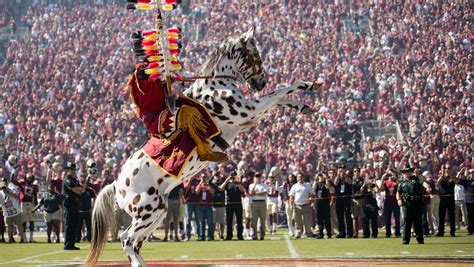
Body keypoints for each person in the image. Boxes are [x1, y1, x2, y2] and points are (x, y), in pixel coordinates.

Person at [128, 63, 227, 162]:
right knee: (188, 113)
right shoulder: (140, 81)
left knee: (188, 102)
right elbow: (153, 79)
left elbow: (162, 85)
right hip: (154, 119)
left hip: (163, 111)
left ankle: (210, 134)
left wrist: (170, 78)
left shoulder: (152, 80)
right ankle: (205, 153)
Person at [396, 164, 424, 245]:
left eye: (408, 171)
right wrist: (398, 199)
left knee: (417, 222)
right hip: (407, 204)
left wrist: (427, 187)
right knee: (407, 222)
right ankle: (405, 240)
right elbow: (398, 192)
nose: (406, 173)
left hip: (416, 203)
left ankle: (420, 239)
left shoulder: (416, 180)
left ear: (411, 172)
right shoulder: (402, 183)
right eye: (405, 172)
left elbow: (423, 183)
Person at [62, 162, 85, 250]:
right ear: (68, 170)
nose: (73, 171)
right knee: (69, 224)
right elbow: (77, 191)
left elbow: (82, 189)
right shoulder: (68, 179)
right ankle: (67, 244)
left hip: (75, 204)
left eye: (74, 169)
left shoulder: (74, 180)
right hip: (69, 204)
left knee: (74, 224)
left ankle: (71, 243)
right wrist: (79, 189)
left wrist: (79, 188)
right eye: (71, 169)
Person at [13, 173, 39, 243]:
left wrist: (37, 208)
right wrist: (13, 172)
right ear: (26, 178)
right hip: (23, 203)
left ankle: (31, 238)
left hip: (31, 204)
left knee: (31, 221)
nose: (29, 179)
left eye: (30, 177)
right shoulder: (22, 184)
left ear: (32, 178)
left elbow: (35, 198)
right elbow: (13, 181)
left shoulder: (34, 186)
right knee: (23, 222)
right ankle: (24, 238)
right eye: (28, 177)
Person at [289, 172, 315, 238]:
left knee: (307, 221)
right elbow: (291, 196)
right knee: (298, 222)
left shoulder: (307, 185)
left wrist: (311, 200)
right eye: (298, 177)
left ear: (303, 178)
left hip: (306, 205)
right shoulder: (294, 186)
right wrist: (291, 205)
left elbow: (311, 194)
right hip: (297, 206)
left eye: (301, 177)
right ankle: (298, 233)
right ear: (297, 178)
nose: (299, 178)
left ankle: (308, 233)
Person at [221, 170, 245, 240]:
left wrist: (238, 183)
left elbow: (243, 190)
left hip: (238, 203)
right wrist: (226, 180)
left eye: (234, 175)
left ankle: (240, 236)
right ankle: (229, 236)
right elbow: (221, 189)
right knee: (229, 221)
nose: (233, 177)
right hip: (229, 204)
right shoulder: (228, 183)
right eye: (232, 175)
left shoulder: (238, 183)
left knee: (239, 221)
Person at [436, 163, 459, 237]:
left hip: (451, 198)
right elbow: (438, 182)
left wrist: (451, 175)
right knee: (441, 215)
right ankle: (441, 232)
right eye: (447, 168)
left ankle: (452, 232)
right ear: (445, 169)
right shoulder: (442, 176)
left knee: (452, 215)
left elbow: (456, 182)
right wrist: (442, 174)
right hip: (443, 198)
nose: (448, 169)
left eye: (450, 168)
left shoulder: (453, 176)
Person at [334, 166, 353, 238]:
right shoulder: (337, 177)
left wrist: (344, 175)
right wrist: (339, 174)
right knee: (340, 216)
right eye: (340, 168)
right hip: (339, 199)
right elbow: (335, 183)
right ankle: (342, 233)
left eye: (343, 169)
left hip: (346, 199)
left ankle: (349, 233)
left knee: (348, 216)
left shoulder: (348, 177)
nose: (341, 170)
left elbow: (350, 182)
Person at [76, 174, 96, 242]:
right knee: (78, 226)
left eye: (84, 182)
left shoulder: (90, 190)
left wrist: (93, 206)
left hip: (88, 211)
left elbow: (95, 197)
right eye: (81, 182)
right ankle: (77, 238)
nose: (82, 183)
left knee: (89, 226)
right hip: (79, 211)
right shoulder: (77, 190)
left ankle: (89, 238)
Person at [380, 171, 400, 238]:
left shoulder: (396, 181)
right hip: (387, 202)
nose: (390, 175)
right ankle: (388, 233)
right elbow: (381, 189)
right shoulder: (385, 181)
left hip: (395, 202)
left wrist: (395, 179)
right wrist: (382, 178)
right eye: (389, 174)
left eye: (391, 174)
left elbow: (400, 188)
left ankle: (398, 233)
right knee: (387, 218)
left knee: (397, 218)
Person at [249, 172, 268, 240]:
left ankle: (262, 235)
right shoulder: (251, 185)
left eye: (259, 177)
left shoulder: (264, 185)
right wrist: (255, 184)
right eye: (256, 177)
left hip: (262, 203)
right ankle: (254, 235)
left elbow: (265, 193)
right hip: (254, 203)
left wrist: (256, 193)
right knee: (254, 220)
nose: (257, 178)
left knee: (262, 220)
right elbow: (251, 193)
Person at [196, 173, 214, 241]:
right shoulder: (199, 185)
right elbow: (196, 192)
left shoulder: (209, 185)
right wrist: (200, 183)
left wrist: (208, 184)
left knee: (210, 222)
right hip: (201, 206)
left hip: (208, 205)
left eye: (205, 177)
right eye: (202, 177)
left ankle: (210, 236)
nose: (204, 178)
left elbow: (212, 192)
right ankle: (201, 236)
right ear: (200, 178)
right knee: (201, 222)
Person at [313, 172, 332, 239]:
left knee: (326, 218)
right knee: (319, 218)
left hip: (325, 202)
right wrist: (316, 178)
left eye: (322, 176)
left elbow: (328, 187)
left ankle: (329, 233)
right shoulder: (317, 183)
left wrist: (326, 178)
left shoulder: (326, 182)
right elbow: (314, 188)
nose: (321, 177)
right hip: (318, 202)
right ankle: (320, 233)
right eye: (320, 176)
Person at [360, 172, 379, 238]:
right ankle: (366, 234)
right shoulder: (364, 185)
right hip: (365, 204)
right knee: (365, 220)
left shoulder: (373, 185)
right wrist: (364, 184)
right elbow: (361, 192)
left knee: (374, 220)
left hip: (373, 204)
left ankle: (374, 234)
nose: (368, 180)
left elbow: (377, 191)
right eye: (367, 178)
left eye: (369, 178)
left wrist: (375, 183)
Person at [183, 174, 201, 241]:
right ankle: (187, 236)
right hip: (188, 202)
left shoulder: (198, 181)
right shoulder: (185, 180)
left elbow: (197, 192)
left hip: (196, 202)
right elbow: (186, 189)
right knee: (188, 220)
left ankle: (200, 236)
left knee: (198, 220)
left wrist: (201, 182)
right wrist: (189, 181)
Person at [210, 172, 226, 240]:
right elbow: (208, 181)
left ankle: (221, 235)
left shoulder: (222, 182)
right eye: (216, 176)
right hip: (214, 205)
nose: (217, 177)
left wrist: (222, 175)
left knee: (221, 222)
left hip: (221, 205)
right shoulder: (212, 184)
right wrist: (212, 175)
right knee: (213, 222)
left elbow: (226, 179)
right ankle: (212, 235)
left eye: (218, 175)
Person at [351, 167, 365, 238]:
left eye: (358, 171)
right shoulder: (351, 180)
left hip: (361, 199)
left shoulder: (362, 180)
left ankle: (363, 232)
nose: (356, 172)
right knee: (355, 217)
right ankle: (355, 233)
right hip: (354, 200)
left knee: (362, 217)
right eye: (355, 171)